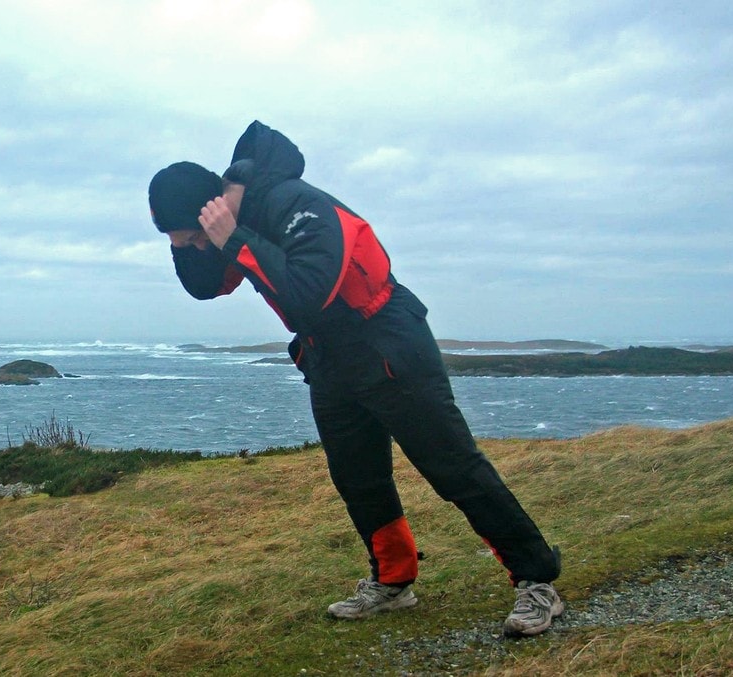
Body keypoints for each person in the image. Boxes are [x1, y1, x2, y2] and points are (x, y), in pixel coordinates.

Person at [147, 120, 564, 637]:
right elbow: (207, 288)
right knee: (359, 478)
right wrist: (191, 242)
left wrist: (234, 238)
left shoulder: (297, 204)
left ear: (210, 211)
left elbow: (308, 292)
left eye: (189, 237)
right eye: (180, 241)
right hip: (329, 359)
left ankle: (537, 580)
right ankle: (393, 582)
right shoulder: (229, 229)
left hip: (387, 342)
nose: (191, 247)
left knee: (452, 466)